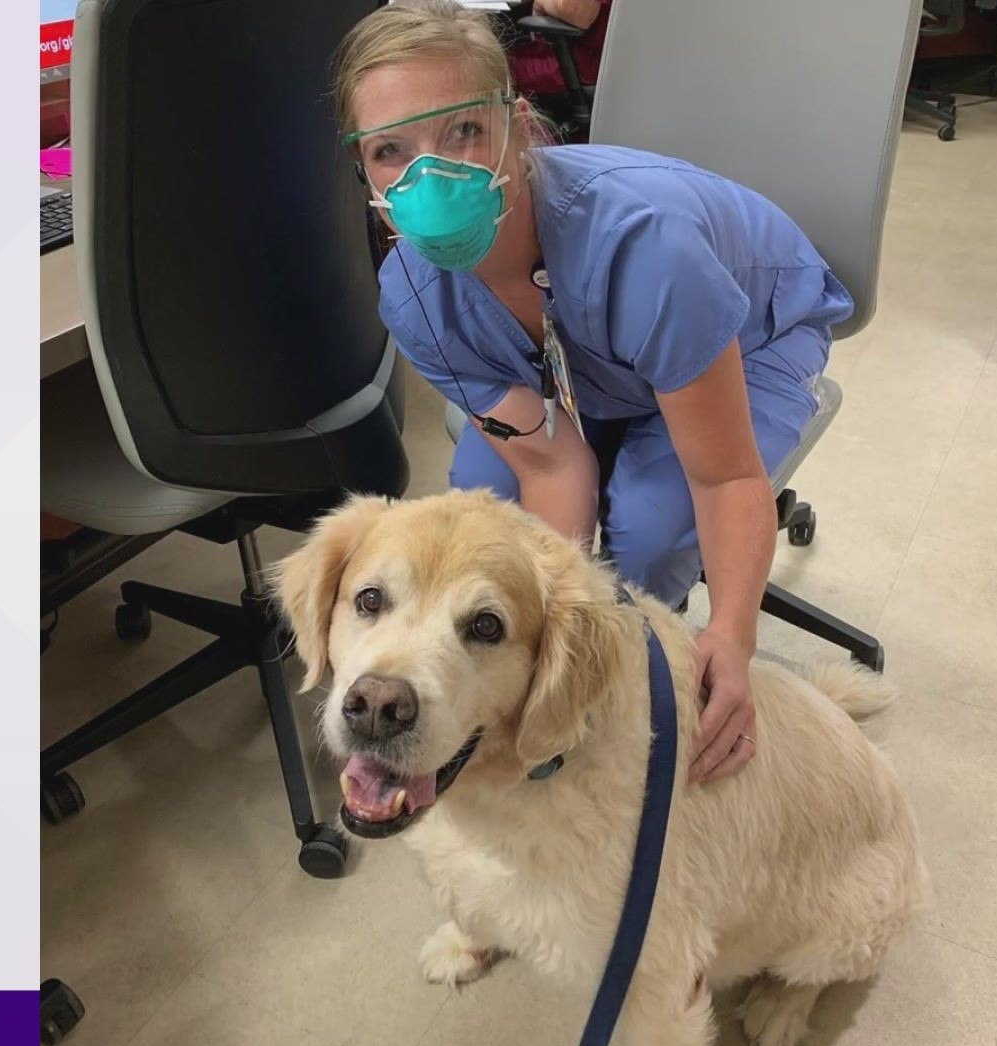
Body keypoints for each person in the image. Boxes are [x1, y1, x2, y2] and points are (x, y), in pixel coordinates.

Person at [332, 0, 852, 784]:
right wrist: (548, 651)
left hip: (752, 333)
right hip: (605, 356)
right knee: (485, 503)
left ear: (520, 123)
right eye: (389, 150)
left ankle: (641, 676)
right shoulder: (415, 300)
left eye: (464, 132)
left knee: (649, 528)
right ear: (364, 169)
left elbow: (727, 477)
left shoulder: (646, 252)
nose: (428, 176)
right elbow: (551, 466)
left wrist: (735, 640)